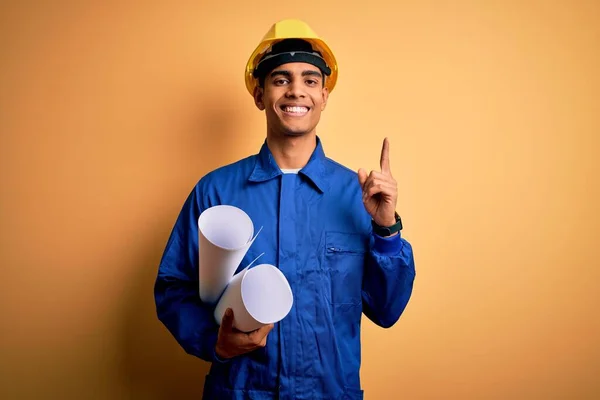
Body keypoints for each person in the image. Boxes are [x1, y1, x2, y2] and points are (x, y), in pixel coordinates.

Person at [154, 19, 416, 400]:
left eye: (310, 80)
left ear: (324, 96)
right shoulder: (216, 191)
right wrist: (216, 342)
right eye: (281, 79)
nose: (297, 91)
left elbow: (387, 311)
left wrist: (386, 229)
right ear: (260, 94)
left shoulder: (358, 196)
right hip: (239, 392)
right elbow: (173, 287)